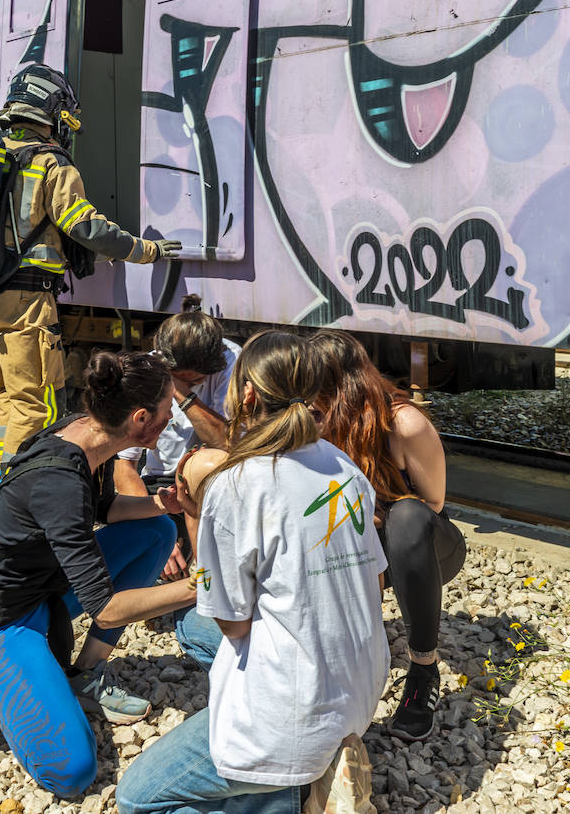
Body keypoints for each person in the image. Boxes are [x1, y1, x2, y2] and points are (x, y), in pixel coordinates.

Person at [117, 330, 389, 814]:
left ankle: (289, 793)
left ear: (247, 394)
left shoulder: (239, 485)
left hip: (292, 716)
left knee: (137, 799)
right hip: (359, 693)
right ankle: (313, 768)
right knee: (192, 628)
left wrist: (195, 514)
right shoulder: (346, 468)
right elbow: (374, 584)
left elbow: (234, 621)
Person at [0, 350, 202, 797]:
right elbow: (109, 607)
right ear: (140, 418)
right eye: (166, 410)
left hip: (42, 591)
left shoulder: (81, 432)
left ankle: (83, 675)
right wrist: (202, 588)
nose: (172, 418)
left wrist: (161, 503)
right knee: (72, 771)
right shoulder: (59, 480)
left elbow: (101, 508)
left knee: (155, 531)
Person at [0, 64, 183, 470]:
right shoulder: (50, 163)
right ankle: (20, 490)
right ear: (51, 112)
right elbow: (85, 227)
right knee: (37, 405)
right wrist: (145, 250)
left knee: (2, 393)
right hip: (26, 300)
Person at [308, 329, 466, 743]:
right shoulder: (314, 422)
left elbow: (433, 503)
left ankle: (423, 667)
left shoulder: (403, 423)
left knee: (406, 515)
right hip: (363, 543)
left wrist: (370, 513)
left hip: (423, 549)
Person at [115, 294, 239, 577]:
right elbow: (124, 466)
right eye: (188, 378)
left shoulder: (230, 360)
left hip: (214, 479)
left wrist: (181, 391)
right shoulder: (145, 370)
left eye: (198, 380)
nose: (199, 385)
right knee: (151, 554)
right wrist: (156, 523)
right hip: (163, 486)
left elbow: (226, 443)